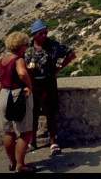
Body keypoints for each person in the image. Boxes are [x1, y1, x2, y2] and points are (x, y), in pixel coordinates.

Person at [0, 31, 37, 173]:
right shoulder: (18, 59)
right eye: (26, 45)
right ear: (21, 46)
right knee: (25, 132)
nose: (27, 47)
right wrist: (29, 86)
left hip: (4, 95)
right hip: (18, 95)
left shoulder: (3, 60)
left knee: (8, 132)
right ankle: (20, 165)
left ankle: (13, 163)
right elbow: (21, 73)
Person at [24, 19, 76, 155]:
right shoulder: (27, 47)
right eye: (41, 33)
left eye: (46, 32)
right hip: (33, 85)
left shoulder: (53, 45)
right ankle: (32, 141)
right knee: (33, 114)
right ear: (34, 34)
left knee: (51, 113)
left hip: (49, 84)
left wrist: (58, 69)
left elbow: (71, 54)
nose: (45, 35)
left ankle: (53, 142)